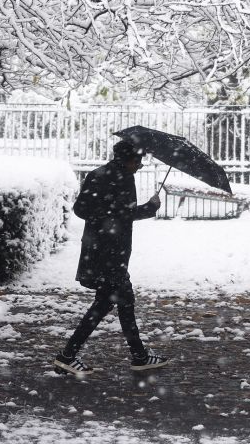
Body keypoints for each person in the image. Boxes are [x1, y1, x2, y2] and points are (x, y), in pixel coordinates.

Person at [52, 139, 170, 376]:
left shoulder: (97, 174)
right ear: (129, 160)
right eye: (138, 161)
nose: (139, 166)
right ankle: (138, 357)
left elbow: (81, 210)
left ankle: (70, 356)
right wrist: (150, 207)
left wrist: (105, 214)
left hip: (96, 250)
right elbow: (124, 215)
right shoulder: (123, 178)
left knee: (108, 303)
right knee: (121, 302)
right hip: (112, 254)